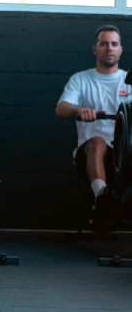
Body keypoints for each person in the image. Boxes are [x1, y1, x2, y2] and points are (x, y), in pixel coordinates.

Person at [55, 25, 128, 222]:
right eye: (104, 44)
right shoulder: (81, 79)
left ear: (121, 49)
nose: (109, 48)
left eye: (114, 44)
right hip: (89, 156)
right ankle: (102, 199)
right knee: (97, 141)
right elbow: (61, 108)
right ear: (95, 49)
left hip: (124, 155)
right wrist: (79, 110)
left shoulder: (128, 81)